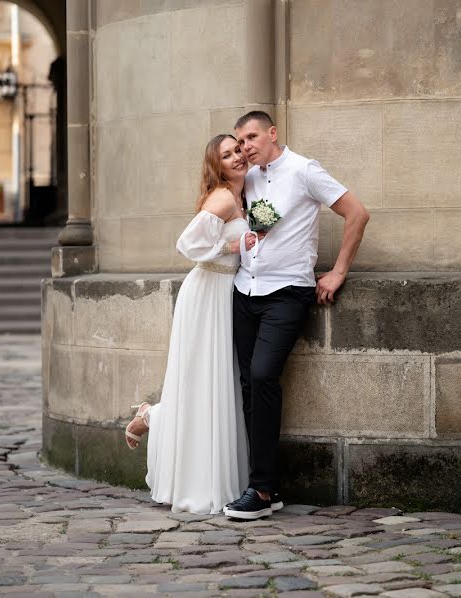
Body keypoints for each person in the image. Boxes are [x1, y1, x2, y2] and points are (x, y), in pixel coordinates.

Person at [223, 111, 370, 520]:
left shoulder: (305, 170)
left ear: (272, 133)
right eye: (240, 141)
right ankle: (265, 485)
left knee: (263, 374)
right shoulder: (247, 178)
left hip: (287, 293)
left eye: (251, 137)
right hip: (244, 290)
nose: (245, 146)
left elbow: (357, 213)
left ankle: (262, 490)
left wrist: (339, 271)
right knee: (248, 386)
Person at [123, 134, 261, 514]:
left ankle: (152, 415)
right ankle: (151, 416)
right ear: (216, 165)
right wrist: (229, 248)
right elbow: (186, 243)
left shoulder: (243, 197)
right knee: (200, 381)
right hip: (206, 294)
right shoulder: (224, 197)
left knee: (210, 384)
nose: (236, 157)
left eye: (238, 150)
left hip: (223, 295)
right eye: (227, 155)